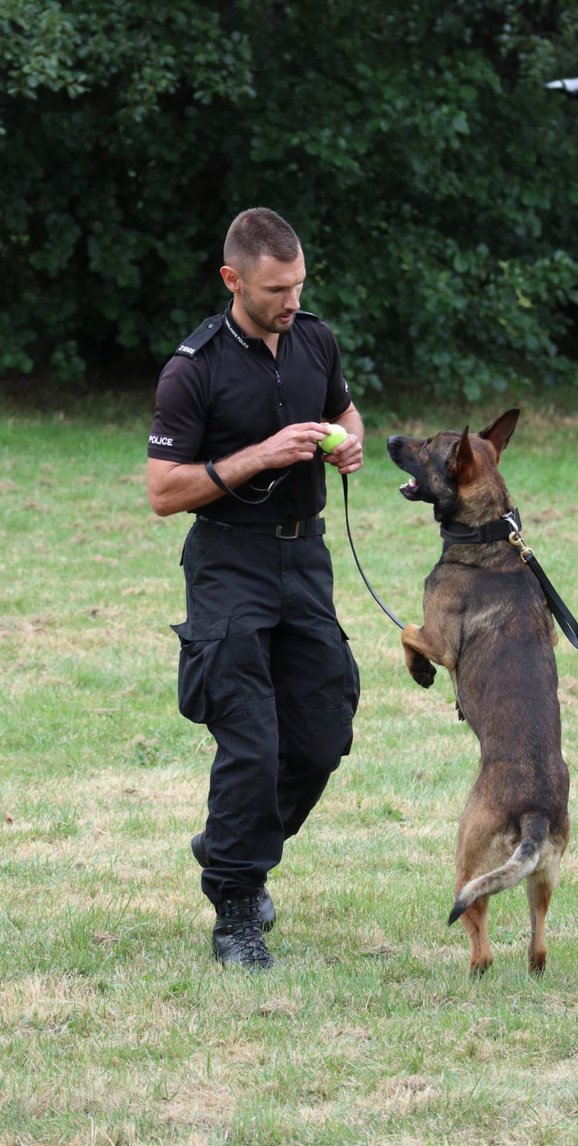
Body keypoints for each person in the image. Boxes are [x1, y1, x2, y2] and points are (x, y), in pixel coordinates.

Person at [147, 207, 363, 971]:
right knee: (252, 743)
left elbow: (339, 405)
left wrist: (350, 435)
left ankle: (229, 841)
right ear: (233, 280)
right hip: (227, 564)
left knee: (322, 733)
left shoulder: (315, 339)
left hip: (305, 560)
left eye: (300, 283)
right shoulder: (194, 368)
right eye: (277, 289)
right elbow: (164, 492)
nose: (293, 301)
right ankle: (236, 906)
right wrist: (259, 455)